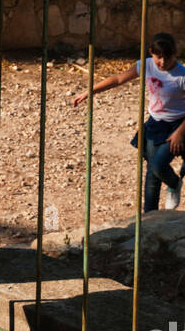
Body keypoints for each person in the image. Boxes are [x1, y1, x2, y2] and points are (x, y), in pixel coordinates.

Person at [73, 32, 185, 211]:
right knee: (151, 175)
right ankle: (149, 218)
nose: (163, 62)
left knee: (158, 165)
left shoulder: (182, 75)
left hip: (178, 125)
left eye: (168, 57)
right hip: (155, 124)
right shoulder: (147, 65)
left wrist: (180, 133)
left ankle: (174, 183)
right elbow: (118, 79)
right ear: (151, 53)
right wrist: (90, 91)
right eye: (159, 57)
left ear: (175, 53)